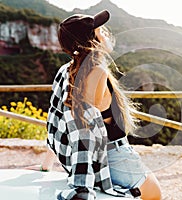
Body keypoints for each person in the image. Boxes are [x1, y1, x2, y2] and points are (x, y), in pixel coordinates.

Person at [27, 10, 161, 200]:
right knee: (156, 196)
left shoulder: (66, 71)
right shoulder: (97, 72)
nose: (105, 32)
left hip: (92, 159)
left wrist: (46, 166)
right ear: (90, 41)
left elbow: (57, 121)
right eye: (99, 30)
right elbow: (84, 130)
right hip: (113, 156)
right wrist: (82, 186)